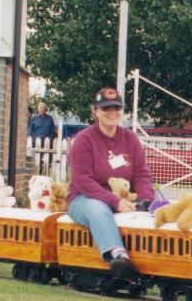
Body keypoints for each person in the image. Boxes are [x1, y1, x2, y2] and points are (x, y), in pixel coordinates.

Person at [66, 86, 154, 278]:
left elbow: (141, 174)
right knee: (99, 209)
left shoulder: (130, 138)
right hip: (83, 199)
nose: (112, 113)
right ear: (95, 111)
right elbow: (82, 181)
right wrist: (115, 202)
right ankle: (118, 256)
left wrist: (146, 199)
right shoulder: (83, 140)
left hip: (121, 198)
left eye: (116, 108)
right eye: (106, 108)